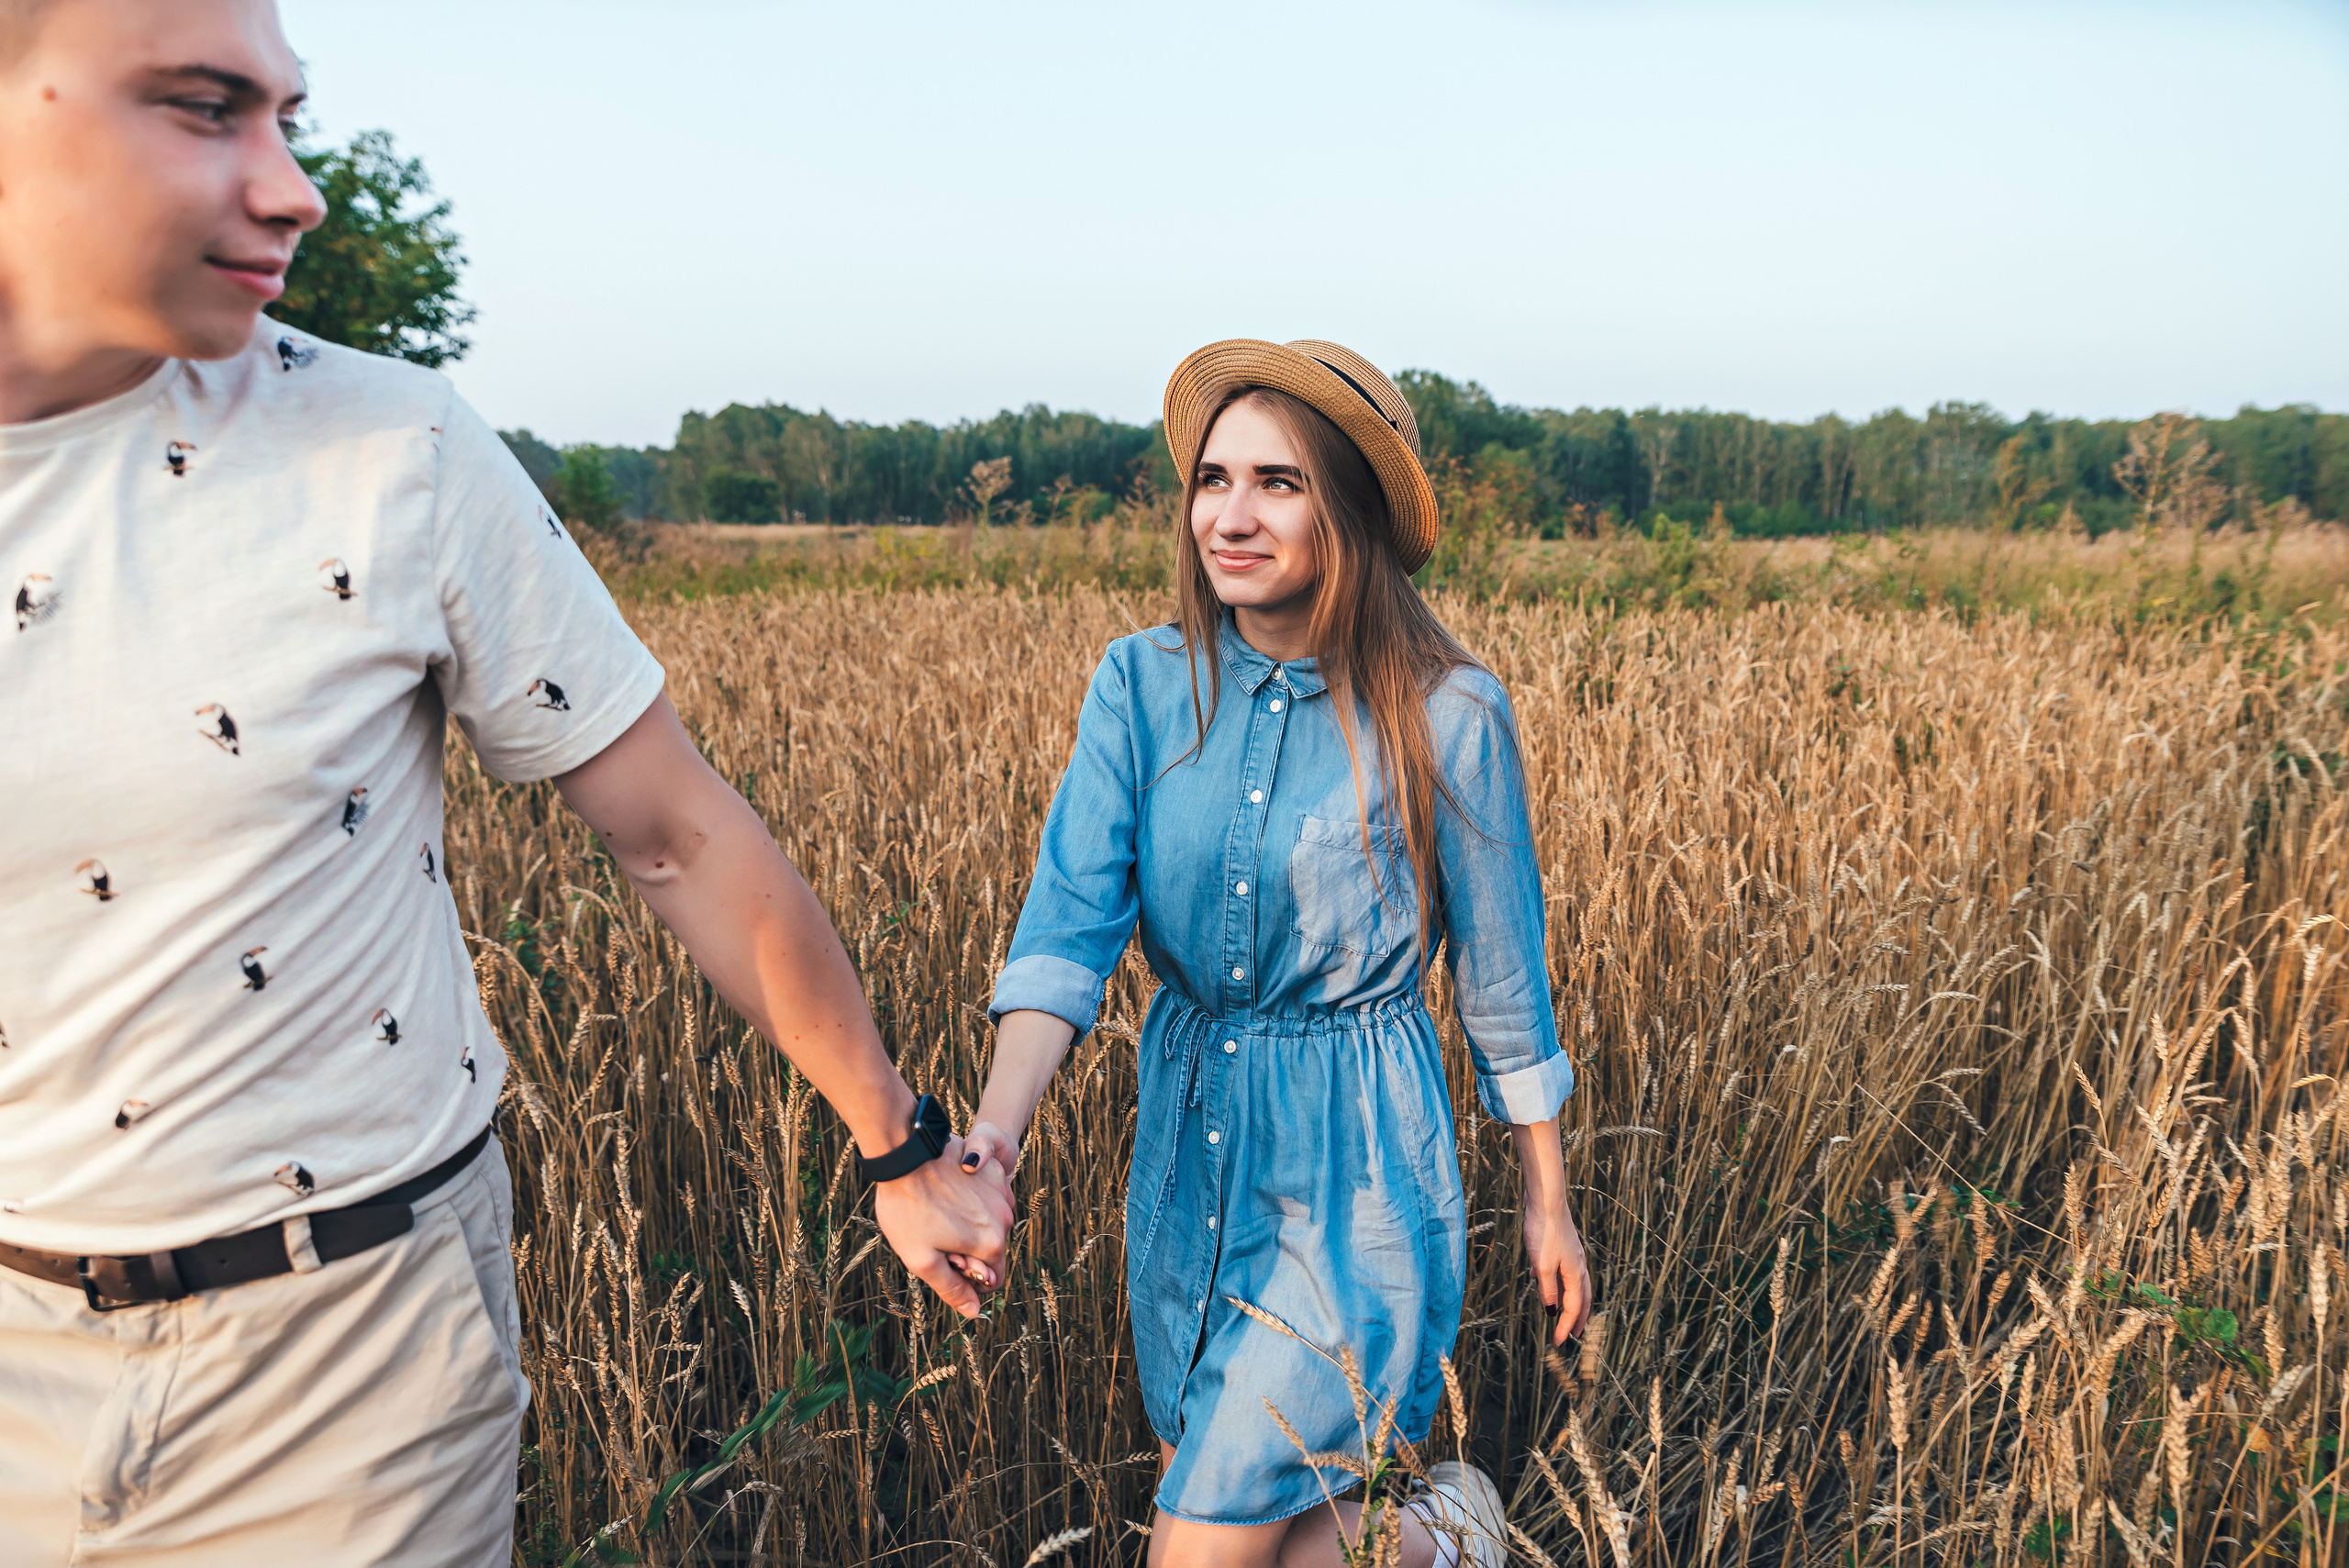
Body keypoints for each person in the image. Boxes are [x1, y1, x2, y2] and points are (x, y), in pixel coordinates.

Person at [0, 2, 1007, 1562]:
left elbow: (676, 832)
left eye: (287, 115)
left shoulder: (387, 447)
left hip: (350, 1361)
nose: (293, 187)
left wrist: (894, 1139)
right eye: (206, 109)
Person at [957, 339, 1592, 1565]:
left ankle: (1446, 1521)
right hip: (1187, 1149)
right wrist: (996, 1134)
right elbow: (1066, 932)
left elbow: (1503, 982)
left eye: (1277, 484)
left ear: (1346, 508)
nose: (1229, 517)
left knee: (1197, 1548)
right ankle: (1452, 1528)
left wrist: (1545, 1194)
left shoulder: (1449, 711)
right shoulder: (1140, 687)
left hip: (1356, 1171)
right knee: (1294, 1540)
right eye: (1211, 479)